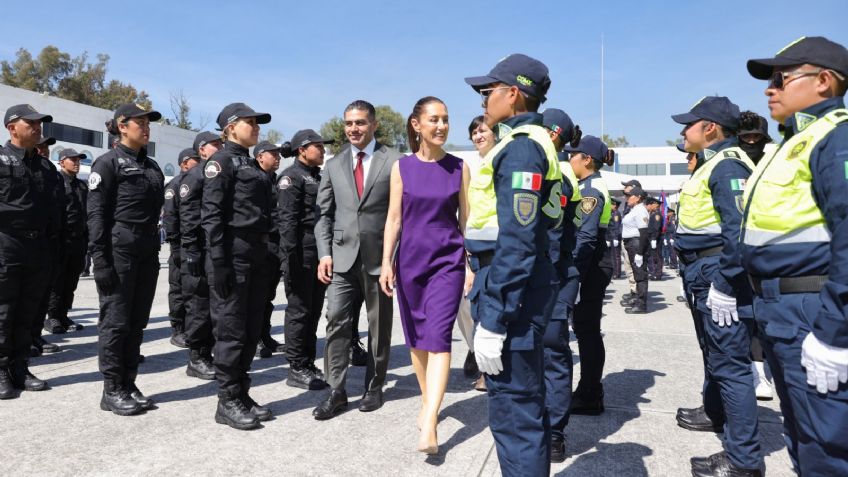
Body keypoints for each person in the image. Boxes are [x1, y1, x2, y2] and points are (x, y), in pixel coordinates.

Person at [741, 36, 848, 476]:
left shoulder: (835, 137)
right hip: (781, 308)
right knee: (802, 435)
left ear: (823, 81)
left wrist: (835, 335)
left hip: (811, 308)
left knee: (828, 447)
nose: (770, 89)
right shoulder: (791, 142)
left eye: (781, 78)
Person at [464, 53, 562, 476]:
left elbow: (518, 241)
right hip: (514, 283)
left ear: (514, 94)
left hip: (512, 292)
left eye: (489, 91)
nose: (484, 99)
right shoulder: (522, 143)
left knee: (514, 410)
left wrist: (495, 318)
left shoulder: (521, 149)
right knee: (518, 404)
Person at [671, 96, 762, 476]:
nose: (683, 131)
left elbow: (738, 232)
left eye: (689, 124)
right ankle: (714, 411)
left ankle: (743, 461)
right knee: (714, 354)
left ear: (710, 128)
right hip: (701, 271)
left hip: (715, 272)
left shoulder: (727, 167)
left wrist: (725, 283)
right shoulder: (712, 165)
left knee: (731, 364)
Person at [379, 97, 469, 454]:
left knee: (439, 337)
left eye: (446, 119)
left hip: (448, 262)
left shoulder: (460, 168)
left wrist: (470, 265)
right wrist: (386, 262)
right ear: (416, 125)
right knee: (417, 339)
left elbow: (466, 222)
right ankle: (426, 402)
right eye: (434, 120)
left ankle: (430, 420)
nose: (442, 126)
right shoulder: (401, 168)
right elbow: (394, 220)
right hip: (411, 262)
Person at [312, 100, 402, 420]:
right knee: (336, 322)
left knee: (379, 327)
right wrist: (324, 253)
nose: (354, 129)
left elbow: (403, 213)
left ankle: (374, 386)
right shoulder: (334, 165)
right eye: (349, 123)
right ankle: (336, 390)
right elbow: (323, 215)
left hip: (382, 260)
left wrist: (395, 258)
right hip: (342, 259)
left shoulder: (394, 161)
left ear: (374, 125)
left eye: (360, 123)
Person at [202, 103, 276, 430]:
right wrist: (218, 261)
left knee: (250, 328)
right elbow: (212, 215)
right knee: (231, 329)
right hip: (232, 253)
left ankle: (242, 393)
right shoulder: (221, 163)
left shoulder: (251, 163)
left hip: (257, 253)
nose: (256, 127)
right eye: (250, 122)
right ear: (231, 127)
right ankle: (227, 400)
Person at [88, 103, 165, 415]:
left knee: (137, 321)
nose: (146, 128)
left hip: (147, 249)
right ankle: (112, 388)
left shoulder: (153, 167)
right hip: (120, 250)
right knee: (116, 322)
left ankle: (129, 381)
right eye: (140, 122)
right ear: (122, 126)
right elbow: (96, 216)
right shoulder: (107, 164)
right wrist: (100, 260)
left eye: (148, 123)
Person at [0, 104, 58, 399]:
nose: (38, 128)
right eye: (31, 124)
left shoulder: (46, 167)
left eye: (40, 124)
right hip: (6, 244)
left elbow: (56, 210)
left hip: (38, 247)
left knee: (28, 312)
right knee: (3, 312)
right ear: (12, 128)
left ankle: (20, 368)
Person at [538, 107, 581, 463]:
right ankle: (543, 428)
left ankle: (553, 431)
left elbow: (567, 237)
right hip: (546, 276)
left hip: (552, 278)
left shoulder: (556, 175)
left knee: (552, 354)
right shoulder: (564, 176)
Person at [277, 130, 333, 390]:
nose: (322, 151)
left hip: (317, 251)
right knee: (299, 310)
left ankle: (307, 361)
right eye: (318, 147)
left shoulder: (316, 176)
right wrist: (290, 259)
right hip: (300, 251)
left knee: (313, 310)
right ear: (302, 150)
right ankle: (296, 366)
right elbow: (287, 222)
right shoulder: (291, 177)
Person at [564, 135, 616, 418]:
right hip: (591, 263)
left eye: (573, 155)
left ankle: (590, 394)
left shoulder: (591, 190)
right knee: (586, 330)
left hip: (591, 265)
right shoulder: (584, 185)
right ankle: (589, 390)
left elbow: (585, 238)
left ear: (587, 159)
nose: (568, 159)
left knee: (587, 331)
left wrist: (575, 275)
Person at [736, 111, 775, 401]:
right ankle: (754, 371)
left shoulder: (773, 164)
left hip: (769, 247)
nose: (751, 142)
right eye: (746, 137)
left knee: (765, 317)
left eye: (756, 138)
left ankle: (765, 370)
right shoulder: (732, 164)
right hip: (741, 249)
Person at [180, 131, 222, 381]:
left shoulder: (218, 172)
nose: (220, 147)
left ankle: (210, 352)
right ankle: (197, 357)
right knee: (198, 304)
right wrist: (191, 250)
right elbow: (188, 215)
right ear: (202, 150)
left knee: (214, 305)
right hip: (197, 249)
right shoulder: (195, 175)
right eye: (215, 145)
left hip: (215, 249)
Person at [458, 116, 493, 391]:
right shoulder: (470, 166)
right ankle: (474, 350)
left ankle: (487, 368)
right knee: (465, 306)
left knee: (487, 309)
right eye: (474, 132)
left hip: (495, 248)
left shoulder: (501, 160)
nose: (478, 135)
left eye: (483, 130)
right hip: (472, 244)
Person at [45, 149, 88, 334]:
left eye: (78, 160)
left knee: (71, 281)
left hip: (79, 241)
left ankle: (63, 314)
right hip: (62, 240)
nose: (77, 163)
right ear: (62, 162)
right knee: (58, 280)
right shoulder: (56, 182)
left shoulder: (82, 185)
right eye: (73, 160)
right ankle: (53, 317)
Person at [163, 148, 201, 349]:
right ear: (184, 164)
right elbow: (170, 217)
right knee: (178, 288)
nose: (198, 162)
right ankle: (178, 328)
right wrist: (175, 246)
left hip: (194, 245)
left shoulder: (200, 181)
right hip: (180, 246)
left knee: (192, 290)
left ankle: (191, 326)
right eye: (195, 160)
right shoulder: (175, 185)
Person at [252, 140, 286, 360]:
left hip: (276, 245)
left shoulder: (276, 181)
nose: (278, 158)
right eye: (274, 154)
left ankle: (265, 335)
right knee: (256, 298)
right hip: (260, 245)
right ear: (260, 156)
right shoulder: (253, 180)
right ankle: (254, 339)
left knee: (268, 296)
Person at [619, 186, 650, 313]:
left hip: (636, 244)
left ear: (638, 198)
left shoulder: (640, 210)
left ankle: (641, 305)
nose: (626, 198)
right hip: (631, 244)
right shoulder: (634, 209)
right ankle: (638, 300)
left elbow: (644, 232)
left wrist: (640, 253)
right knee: (637, 274)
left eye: (629, 196)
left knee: (640, 275)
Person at [619, 179, 642, 300]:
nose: (624, 190)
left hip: (635, 241)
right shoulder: (629, 204)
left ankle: (637, 294)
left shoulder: (638, 205)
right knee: (629, 268)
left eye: (626, 187)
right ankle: (633, 291)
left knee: (635, 269)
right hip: (628, 240)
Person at [645, 197, 664, 280]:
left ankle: (657, 274)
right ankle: (653, 272)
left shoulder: (656, 214)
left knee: (656, 256)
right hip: (652, 238)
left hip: (655, 239)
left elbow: (656, 228)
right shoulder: (652, 214)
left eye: (652, 204)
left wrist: (653, 239)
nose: (650, 205)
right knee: (652, 256)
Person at [607, 199, 623, 279]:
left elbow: (617, 227)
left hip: (615, 237)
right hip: (611, 237)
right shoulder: (612, 213)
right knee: (612, 256)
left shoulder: (616, 214)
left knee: (616, 256)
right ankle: (614, 271)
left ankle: (617, 273)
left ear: (615, 205)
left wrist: (616, 238)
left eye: (611, 204)